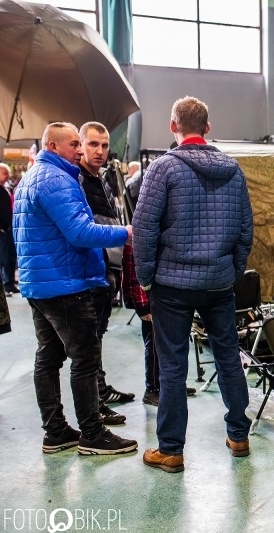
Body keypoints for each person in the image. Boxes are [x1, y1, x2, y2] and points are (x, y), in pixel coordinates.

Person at [134, 96, 254, 473]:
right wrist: (232, 270)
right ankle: (238, 435)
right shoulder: (233, 170)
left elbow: (143, 230)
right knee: (228, 358)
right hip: (218, 283)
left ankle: (171, 450)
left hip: (172, 285)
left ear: (173, 126)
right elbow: (246, 230)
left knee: (172, 367)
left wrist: (145, 277)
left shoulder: (162, 169)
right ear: (207, 127)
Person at [12, 122, 138, 455]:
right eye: (75, 144)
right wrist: (125, 233)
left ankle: (56, 432)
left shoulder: (31, 179)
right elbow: (80, 233)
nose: (82, 150)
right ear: (52, 146)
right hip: (66, 284)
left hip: (40, 285)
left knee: (48, 359)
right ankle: (92, 434)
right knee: (84, 360)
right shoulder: (57, 181)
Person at [77, 122, 136, 425]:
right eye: (92, 145)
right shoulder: (77, 181)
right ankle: (95, 402)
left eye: (103, 145)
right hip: (91, 272)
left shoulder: (100, 179)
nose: (99, 151)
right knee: (88, 343)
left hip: (106, 270)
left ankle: (100, 391)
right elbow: (87, 231)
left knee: (97, 336)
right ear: (80, 145)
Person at [121, 242, 196, 407]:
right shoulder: (140, 233)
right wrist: (142, 305)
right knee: (155, 347)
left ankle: (171, 387)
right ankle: (152, 389)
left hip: (168, 297)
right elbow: (134, 272)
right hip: (150, 301)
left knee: (173, 345)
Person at [0, 163, 18, 295]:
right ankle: (6, 284)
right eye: (5, 173)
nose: (8, 176)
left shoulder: (6, 188)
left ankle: (9, 284)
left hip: (9, 228)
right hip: (3, 229)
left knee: (10, 257)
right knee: (3, 258)